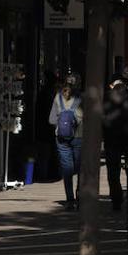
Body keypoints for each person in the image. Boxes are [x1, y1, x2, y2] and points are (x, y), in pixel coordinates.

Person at [103, 74, 128, 211]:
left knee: (113, 172)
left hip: (112, 138)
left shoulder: (106, 97)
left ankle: (116, 199)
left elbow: (102, 117)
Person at [48, 81, 84, 209]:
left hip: (62, 137)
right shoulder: (82, 98)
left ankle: (69, 199)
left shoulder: (58, 97)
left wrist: (61, 124)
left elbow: (52, 120)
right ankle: (80, 195)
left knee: (67, 169)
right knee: (80, 168)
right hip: (79, 137)